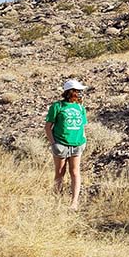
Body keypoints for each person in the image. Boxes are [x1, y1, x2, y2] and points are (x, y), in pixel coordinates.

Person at [44, 78, 88, 210]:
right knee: (59, 173)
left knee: (75, 172)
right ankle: (56, 201)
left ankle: (74, 202)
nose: (79, 94)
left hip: (77, 144)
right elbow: (48, 127)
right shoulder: (57, 106)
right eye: (78, 91)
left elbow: (83, 126)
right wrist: (53, 143)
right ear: (71, 92)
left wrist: (84, 140)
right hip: (61, 144)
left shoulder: (80, 108)